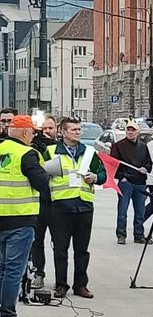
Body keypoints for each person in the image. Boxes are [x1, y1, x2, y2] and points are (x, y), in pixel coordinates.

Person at [44, 117, 107, 299]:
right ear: (63, 132)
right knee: (60, 249)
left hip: (83, 206)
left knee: (82, 250)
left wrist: (95, 177)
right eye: (73, 130)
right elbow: (42, 176)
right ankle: (61, 284)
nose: (78, 132)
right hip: (60, 206)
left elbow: (102, 175)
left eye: (79, 129)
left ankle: (81, 285)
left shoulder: (88, 152)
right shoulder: (51, 151)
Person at [0, 116, 50, 317]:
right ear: (23, 132)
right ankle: (8, 316)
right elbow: (41, 182)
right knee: (14, 270)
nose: (33, 136)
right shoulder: (27, 154)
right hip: (20, 219)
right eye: (31, 132)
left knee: (2, 269)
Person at [111, 120, 152, 244]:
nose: (130, 132)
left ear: (138, 132)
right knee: (122, 210)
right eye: (128, 130)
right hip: (126, 183)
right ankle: (121, 235)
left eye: (133, 130)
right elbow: (113, 164)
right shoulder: (118, 146)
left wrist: (146, 168)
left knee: (140, 211)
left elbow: (149, 162)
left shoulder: (143, 146)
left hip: (140, 182)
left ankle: (139, 235)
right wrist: (121, 177)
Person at [29, 114, 57, 290]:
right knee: (37, 240)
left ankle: (61, 279)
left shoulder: (61, 148)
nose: (47, 131)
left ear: (57, 129)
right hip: (38, 201)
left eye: (50, 128)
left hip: (56, 202)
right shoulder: (32, 148)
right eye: (44, 128)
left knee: (59, 242)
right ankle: (39, 272)